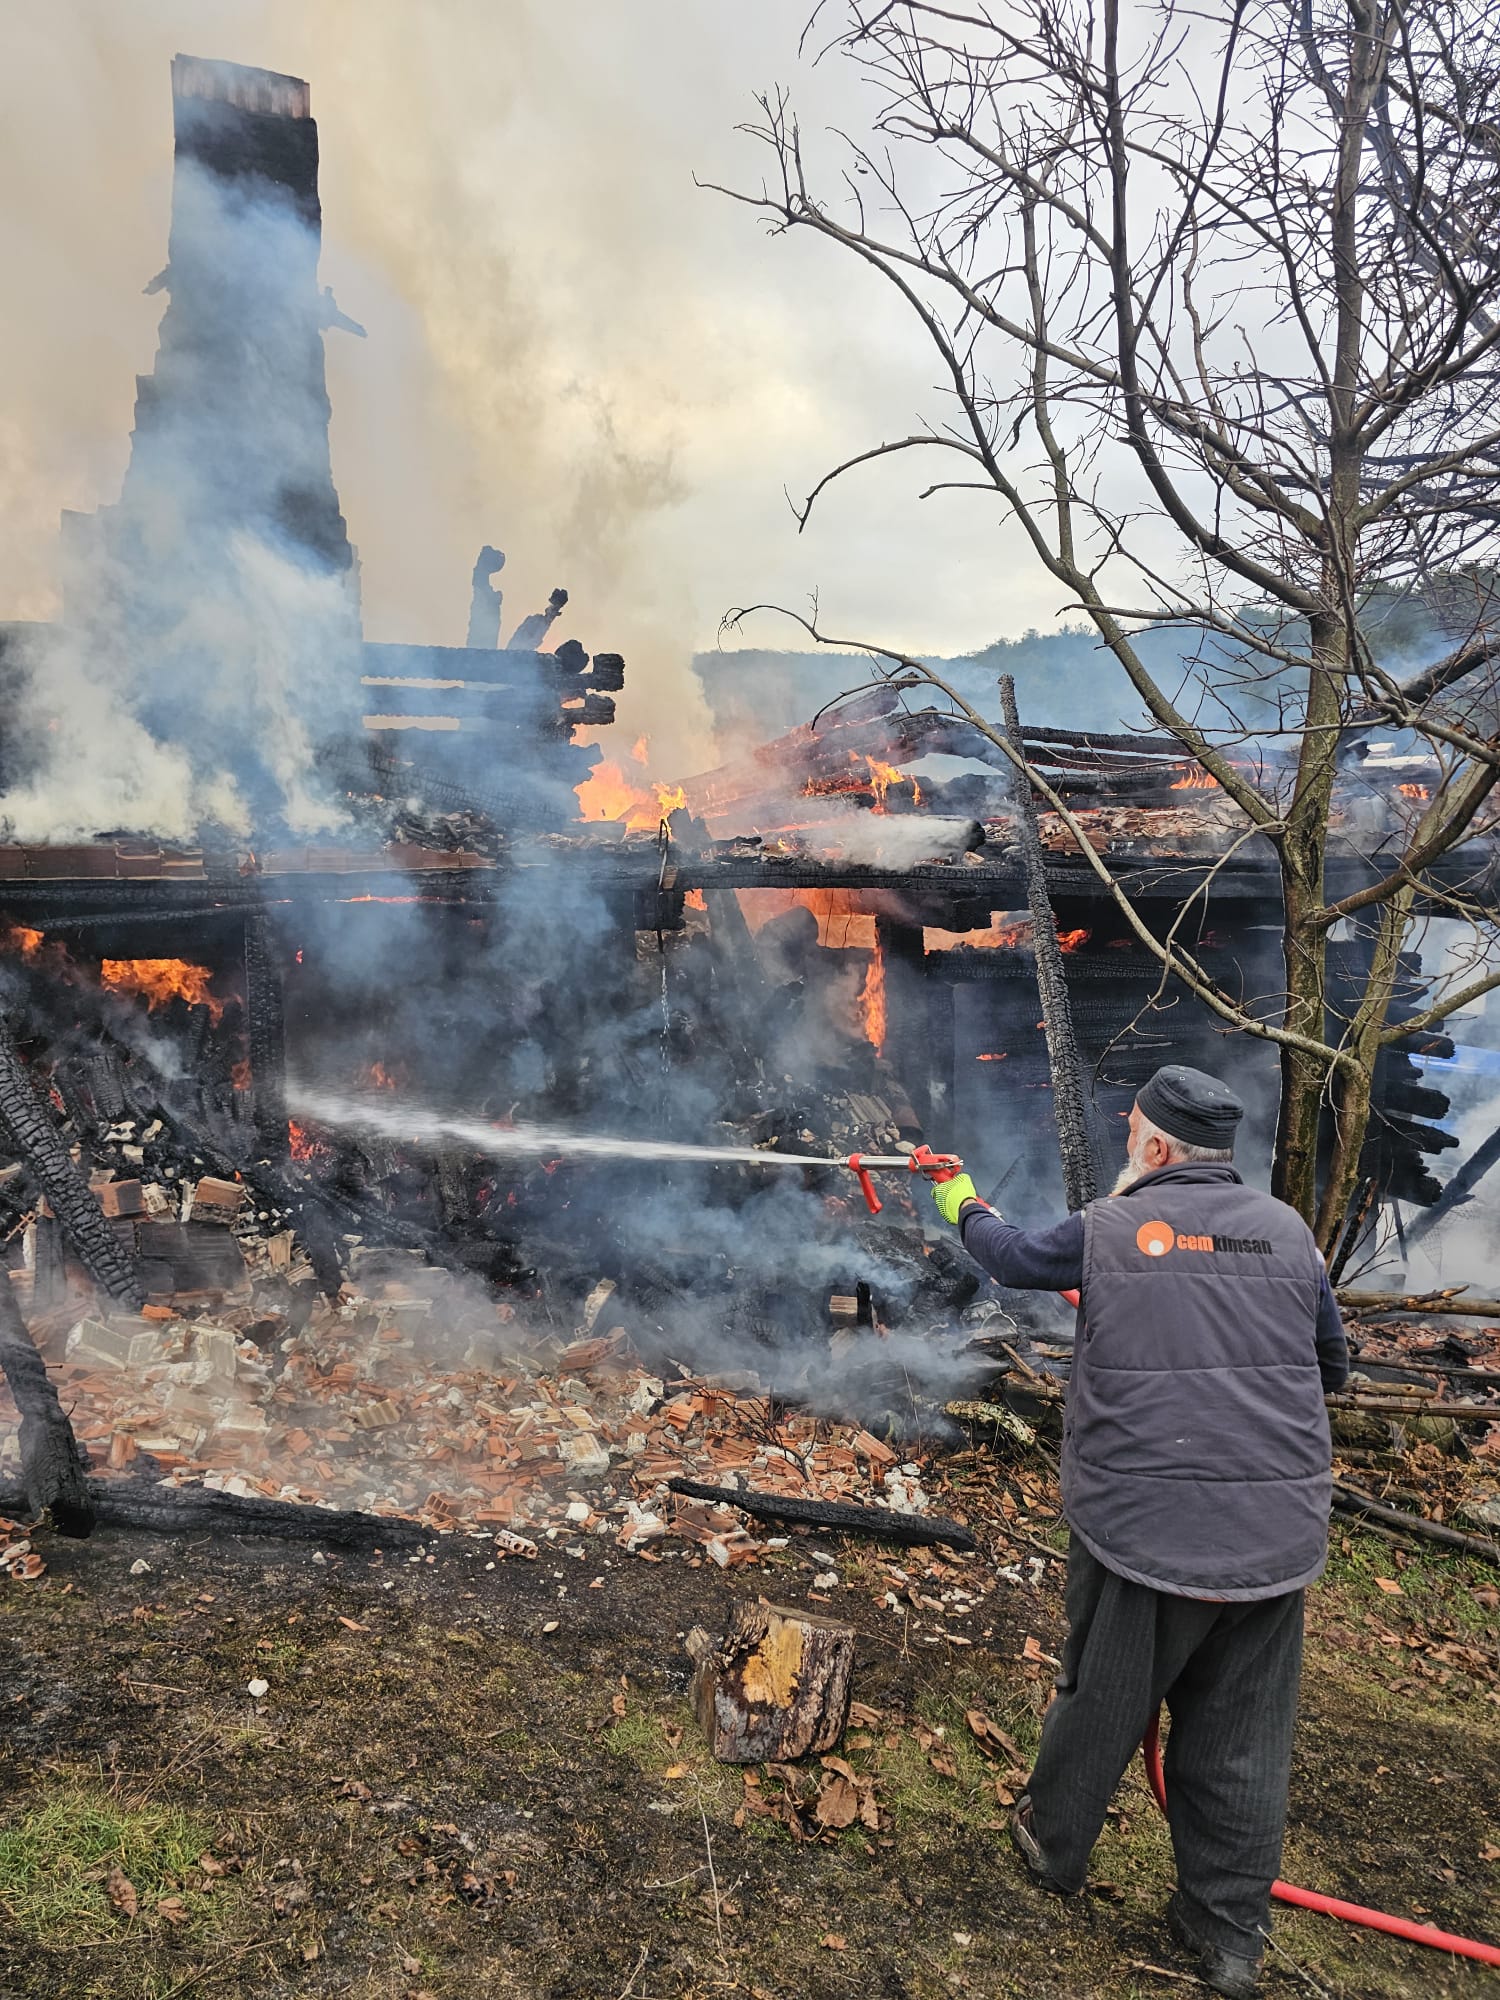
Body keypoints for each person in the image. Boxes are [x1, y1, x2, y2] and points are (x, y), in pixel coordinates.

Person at [928, 1064, 1348, 1999]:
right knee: (1243, 1736)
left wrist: (955, 1193)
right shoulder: (1290, 1232)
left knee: (1104, 1696)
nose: (1128, 1143)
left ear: (1155, 1147)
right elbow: (1334, 1368)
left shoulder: (1116, 1226)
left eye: (1132, 1132)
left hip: (1144, 1528)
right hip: (1276, 1538)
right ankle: (1228, 1932)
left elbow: (1017, 1259)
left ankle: (1054, 1845)